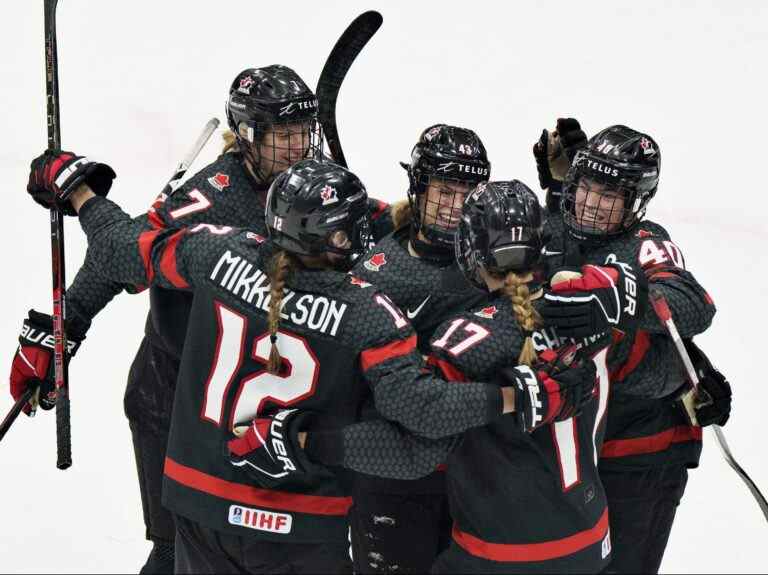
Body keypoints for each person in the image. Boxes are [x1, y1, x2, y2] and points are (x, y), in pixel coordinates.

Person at [24, 154, 593, 573]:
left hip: (199, 503)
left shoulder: (214, 251)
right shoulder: (369, 313)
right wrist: (515, 396)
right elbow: (419, 421)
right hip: (299, 526)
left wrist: (80, 193)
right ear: (339, 237)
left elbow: (120, 248)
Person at [9, 65, 393, 574]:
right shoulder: (209, 200)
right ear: (248, 135)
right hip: (175, 401)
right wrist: (64, 329)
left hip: (257, 406)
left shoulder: (308, 187)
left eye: (302, 132)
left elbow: (372, 222)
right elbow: (122, 255)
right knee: (177, 552)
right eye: (281, 135)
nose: (296, 147)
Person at [298, 180, 613, 573]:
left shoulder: (474, 337)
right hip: (591, 540)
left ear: (470, 249)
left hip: (500, 552)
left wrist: (309, 442)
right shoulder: (590, 310)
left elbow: (416, 436)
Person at [533, 122, 730, 574]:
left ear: (636, 203)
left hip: (644, 455)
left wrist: (622, 298)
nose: (592, 204)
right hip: (578, 452)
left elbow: (694, 305)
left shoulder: (646, 242)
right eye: (586, 188)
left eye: (610, 196)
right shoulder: (556, 226)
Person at [346, 124, 493, 573]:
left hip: (478, 476)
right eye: (444, 191)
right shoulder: (376, 271)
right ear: (419, 187)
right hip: (391, 477)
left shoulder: (496, 262)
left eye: (467, 193)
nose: (455, 207)